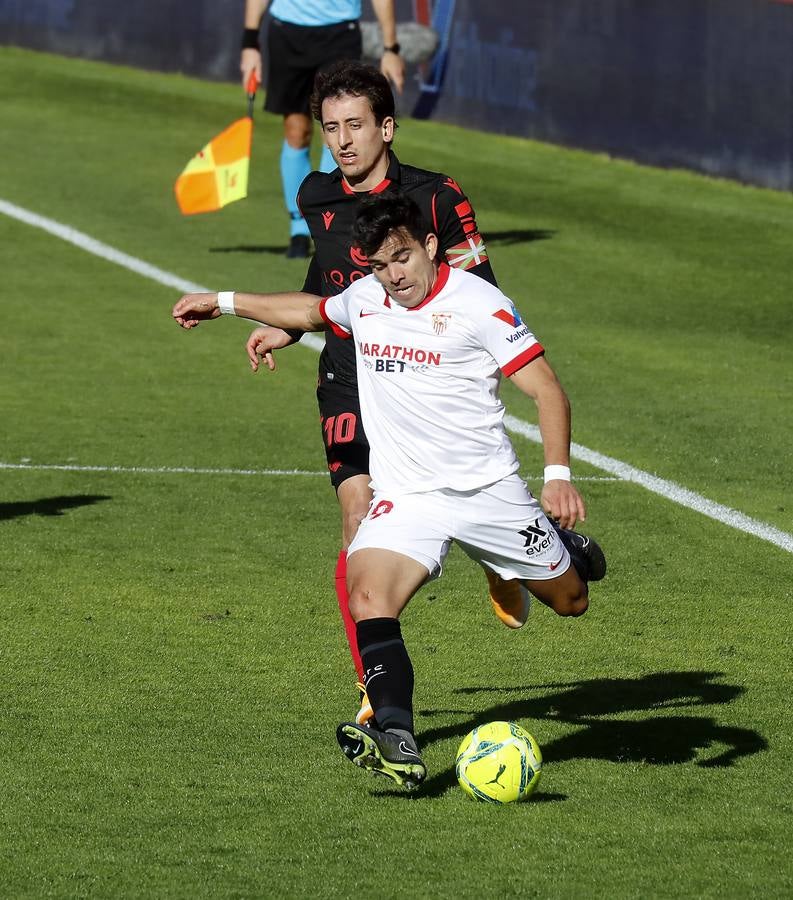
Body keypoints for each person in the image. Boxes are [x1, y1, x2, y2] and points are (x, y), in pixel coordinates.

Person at [172, 191, 607, 790]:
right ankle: (397, 736)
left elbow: (548, 391)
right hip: (407, 494)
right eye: (379, 265)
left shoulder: (481, 305)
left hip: (487, 492)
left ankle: (561, 549)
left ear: (429, 246)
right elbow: (310, 312)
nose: (393, 276)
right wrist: (225, 304)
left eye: (401, 258)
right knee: (368, 595)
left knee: (570, 602)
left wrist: (556, 476)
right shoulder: (367, 297)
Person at [248, 60, 539, 728]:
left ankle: (499, 558)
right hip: (349, 379)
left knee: (451, 502)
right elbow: (328, 284)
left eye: (354, 126)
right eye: (330, 129)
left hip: (430, 388)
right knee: (358, 523)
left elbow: (483, 295)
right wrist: (287, 330)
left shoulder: (438, 199)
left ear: (386, 127)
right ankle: (376, 696)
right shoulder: (318, 195)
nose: (342, 141)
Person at [240, 0, 405, 257]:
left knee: (337, 130)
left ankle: (334, 220)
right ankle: (299, 227)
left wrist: (391, 47)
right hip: (287, 33)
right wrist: (250, 42)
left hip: (339, 34)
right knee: (297, 132)